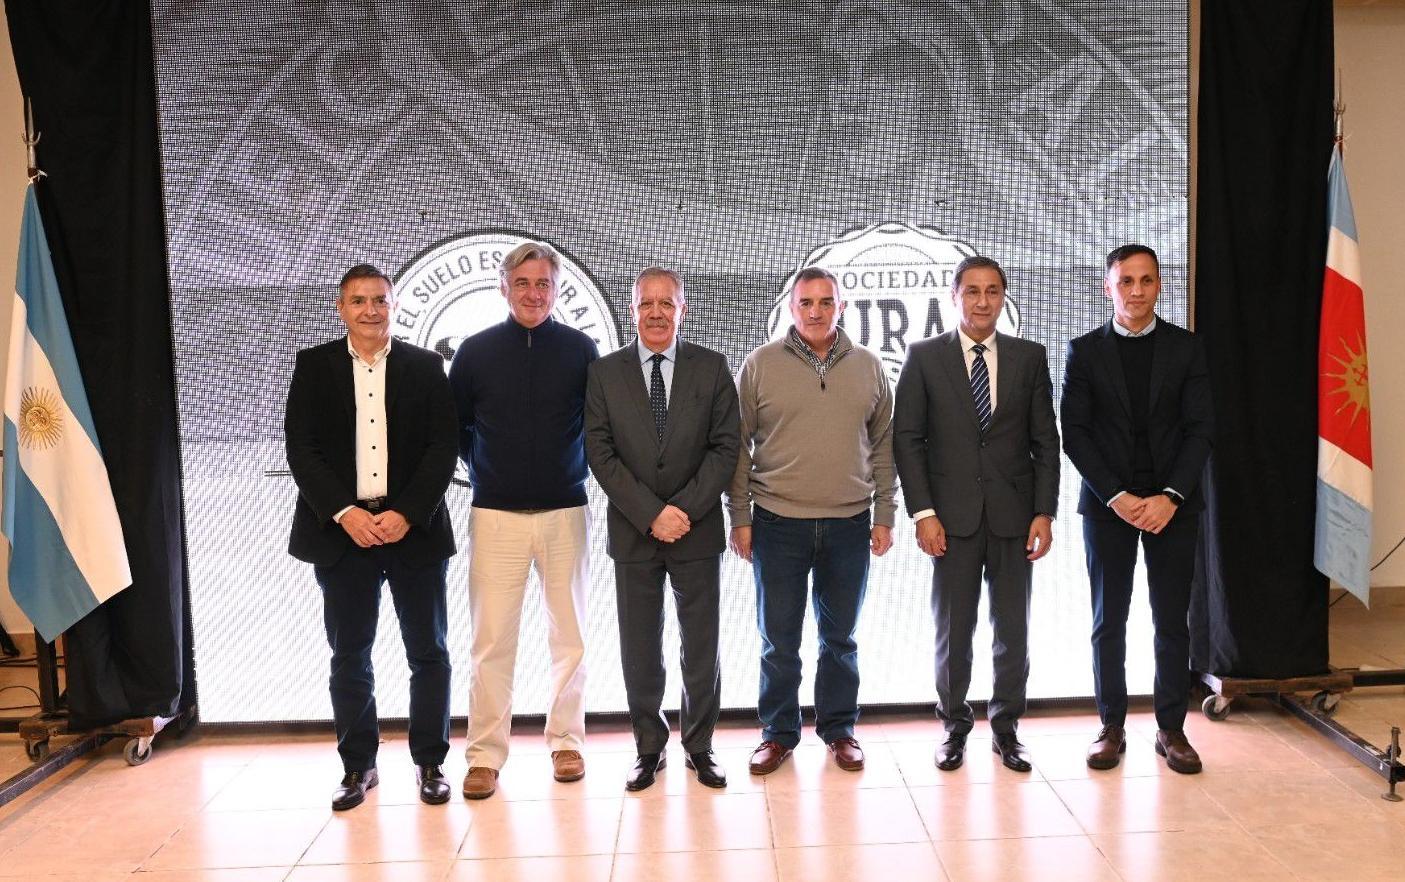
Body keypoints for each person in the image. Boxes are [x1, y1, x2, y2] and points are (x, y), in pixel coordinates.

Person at [285, 263, 457, 811]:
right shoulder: (314, 366)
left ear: (394, 306)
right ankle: (358, 766)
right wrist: (345, 513)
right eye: (358, 300)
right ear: (341, 308)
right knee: (349, 654)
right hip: (344, 535)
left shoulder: (425, 366)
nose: (370, 310)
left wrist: (407, 512)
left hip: (413, 531)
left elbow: (442, 447)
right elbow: (301, 449)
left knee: (428, 652)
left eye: (380, 300)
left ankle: (430, 762)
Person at [892, 255, 1059, 773]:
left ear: (1003, 297)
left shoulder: (1029, 357)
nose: (983, 301)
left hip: (1015, 519)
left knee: (1013, 632)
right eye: (972, 291)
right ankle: (953, 726)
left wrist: (1044, 512)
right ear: (955, 296)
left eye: (992, 291)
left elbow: (1045, 442)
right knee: (953, 629)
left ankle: (1006, 729)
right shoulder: (923, 357)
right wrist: (923, 513)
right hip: (951, 519)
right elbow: (907, 440)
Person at [727, 266, 896, 776]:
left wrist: (884, 513)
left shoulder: (869, 366)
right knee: (778, 640)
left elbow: (884, 445)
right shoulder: (759, 365)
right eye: (806, 302)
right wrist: (740, 516)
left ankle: (839, 730)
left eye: (826, 302)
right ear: (791, 307)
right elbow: (737, 446)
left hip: (849, 523)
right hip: (777, 523)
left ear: (841, 306)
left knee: (840, 639)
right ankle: (778, 734)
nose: (816, 311)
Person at [448, 241, 599, 799]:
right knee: (491, 642)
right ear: (504, 288)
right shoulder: (475, 352)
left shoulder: (581, 349)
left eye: (543, 284)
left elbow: (596, 425)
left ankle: (567, 743)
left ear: (556, 290)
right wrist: (489, 469)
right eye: (523, 283)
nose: (533, 294)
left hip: (566, 511)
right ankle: (484, 755)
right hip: (496, 514)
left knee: (570, 638)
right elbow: (457, 427)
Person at [584, 267, 740, 791]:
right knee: (640, 648)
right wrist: (651, 513)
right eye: (646, 303)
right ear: (632, 309)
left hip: (697, 530)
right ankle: (648, 748)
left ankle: (699, 745)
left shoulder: (711, 367)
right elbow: (600, 453)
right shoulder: (604, 372)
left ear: (682, 310)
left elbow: (725, 447)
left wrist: (683, 511)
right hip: (634, 531)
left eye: (666, 303)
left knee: (701, 645)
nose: (656, 312)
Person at [1062, 244, 1213, 774]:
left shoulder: (1187, 349)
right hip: (1110, 507)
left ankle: (1171, 729)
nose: (1136, 290)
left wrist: (1170, 496)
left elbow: (1201, 430)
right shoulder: (1084, 351)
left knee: (1172, 621)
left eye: (1146, 280)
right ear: (1109, 288)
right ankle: (1111, 726)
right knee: (1109, 621)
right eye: (1126, 281)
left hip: (1173, 507)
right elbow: (1075, 433)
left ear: (1159, 286)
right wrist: (1117, 496)